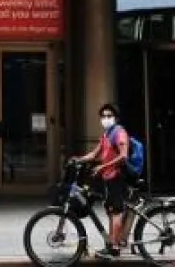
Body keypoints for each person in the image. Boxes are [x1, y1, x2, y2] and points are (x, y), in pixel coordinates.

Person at [70, 103, 135, 259]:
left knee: (116, 212)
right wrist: (78, 159)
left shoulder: (119, 133)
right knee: (111, 211)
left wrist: (102, 166)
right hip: (108, 177)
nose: (106, 118)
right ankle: (112, 243)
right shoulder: (106, 134)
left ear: (115, 118)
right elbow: (94, 154)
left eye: (109, 116)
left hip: (117, 177)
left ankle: (114, 247)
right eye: (103, 116)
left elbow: (123, 156)